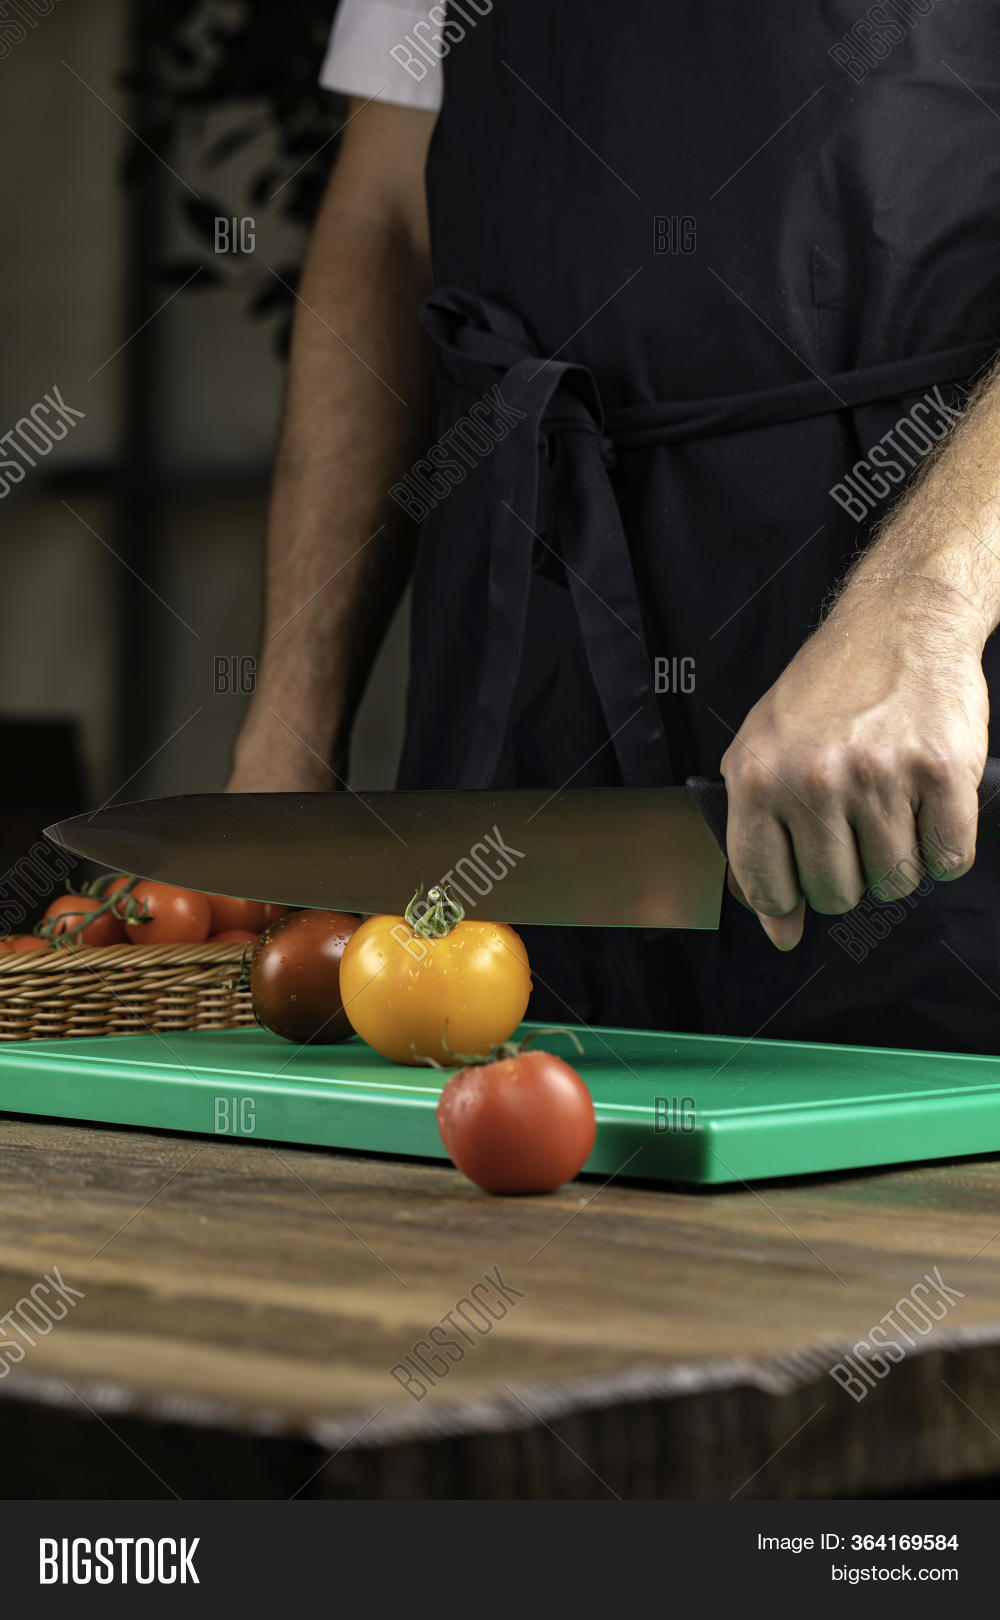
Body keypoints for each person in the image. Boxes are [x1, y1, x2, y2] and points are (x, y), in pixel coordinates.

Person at [229, 1, 1000, 1053]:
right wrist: (285, 748)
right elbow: (386, 210)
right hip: (520, 667)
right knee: (475, 1187)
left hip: (907, 674)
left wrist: (925, 606)